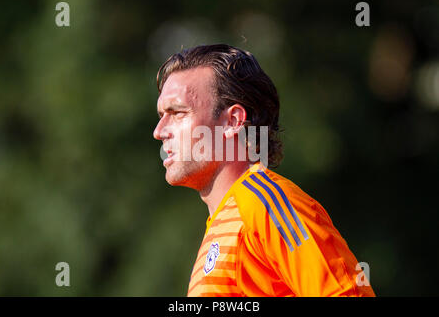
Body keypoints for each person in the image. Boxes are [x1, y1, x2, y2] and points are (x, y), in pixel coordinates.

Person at [153, 44, 375, 297]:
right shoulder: (224, 221)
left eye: (177, 113)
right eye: (161, 115)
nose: (159, 131)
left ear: (232, 121)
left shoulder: (264, 204)